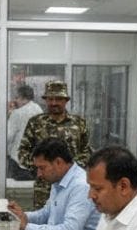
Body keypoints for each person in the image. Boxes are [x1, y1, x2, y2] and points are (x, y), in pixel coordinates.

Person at [7, 138, 99, 230]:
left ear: (58, 162)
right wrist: (22, 216)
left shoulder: (80, 186)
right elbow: (47, 214)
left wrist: (26, 227)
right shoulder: (59, 180)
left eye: (42, 168)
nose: (39, 174)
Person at [16, 80, 91, 208]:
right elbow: (23, 151)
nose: (54, 103)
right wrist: (40, 168)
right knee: (43, 218)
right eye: (50, 99)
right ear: (46, 100)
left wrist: (68, 169)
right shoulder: (36, 123)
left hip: (72, 186)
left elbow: (87, 152)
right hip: (44, 188)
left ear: (66, 100)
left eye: (59, 99)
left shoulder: (79, 123)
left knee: (71, 217)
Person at [5, 84, 42, 181]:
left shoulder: (17, 113)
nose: (15, 101)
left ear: (24, 98)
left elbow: (8, 136)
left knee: (17, 188)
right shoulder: (39, 110)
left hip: (19, 161)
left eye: (17, 98)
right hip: (36, 161)